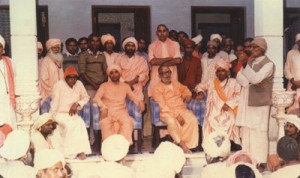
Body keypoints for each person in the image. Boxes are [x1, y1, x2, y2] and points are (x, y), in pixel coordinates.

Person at [236, 37, 274, 170]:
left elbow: (256, 77)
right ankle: (247, 159)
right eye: (251, 47)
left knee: (259, 131)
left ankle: (261, 161)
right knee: (247, 130)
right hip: (247, 99)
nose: (252, 49)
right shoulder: (250, 62)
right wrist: (252, 82)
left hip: (260, 102)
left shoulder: (269, 64)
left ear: (262, 49)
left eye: (255, 47)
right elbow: (239, 77)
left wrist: (251, 77)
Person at [152, 65, 199, 153]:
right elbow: (163, 106)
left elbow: (185, 89)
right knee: (172, 122)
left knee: (192, 119)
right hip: (167, 112)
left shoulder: (175, 83)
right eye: (164, 73)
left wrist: (187, 95)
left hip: (181, 109)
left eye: (168, 72)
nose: (167, 75)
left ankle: (189, 145)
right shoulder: (157, 89)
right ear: (160, 75)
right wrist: (176, 115)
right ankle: (182, 145)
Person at [93, 65, 145, 144]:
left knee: (127, 122)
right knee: (105, 123)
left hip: (122, 112)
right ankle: (109, 147)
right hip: (108, 112)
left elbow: (133, 97)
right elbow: (96, 98)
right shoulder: (104, 86)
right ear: (109, 75)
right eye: (111, 73)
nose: (114, 75)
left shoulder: (125, 86)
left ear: (120, 74)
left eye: (116, 72)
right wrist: (103, 108)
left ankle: (123, 146)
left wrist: (140, 102)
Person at [195, 60, 241, 148]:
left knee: (230, 120)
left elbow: (239, 95)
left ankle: (227, 143)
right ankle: (214, 144)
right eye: (218, 71)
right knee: (211, 119)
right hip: (214, 109)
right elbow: (200, 86)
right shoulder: (211, 82)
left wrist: (229, 104)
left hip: (228, 109)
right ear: (216, 73)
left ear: (227, 72)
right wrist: (200, 92)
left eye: (223, 70)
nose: (220, 73)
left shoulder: (233, 82)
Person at [51, 66, 91, 159]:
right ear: (66, 78)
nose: (73, 80)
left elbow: (86, 97)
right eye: (70, 77)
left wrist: (77, 104)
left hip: (72, 115)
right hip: (59, 114)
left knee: (80, 123)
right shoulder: (59, 85)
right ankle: (70, 153)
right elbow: (54, 103)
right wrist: (53, 117)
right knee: (72, 125)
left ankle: (81, 151)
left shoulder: (79, 84)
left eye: (74, 78)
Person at [78, 33, 107, 153]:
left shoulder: (102, 55)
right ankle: (91, 141)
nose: (95, 43)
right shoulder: (84, 55)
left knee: (102, 113)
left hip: (101, 88)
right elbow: (82, 73)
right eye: (93, 41)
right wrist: (94, 85)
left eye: (97, 41)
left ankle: (102, 140)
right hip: (89, 88)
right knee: (90, 115)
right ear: (89, 43)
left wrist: (102, 84)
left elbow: (106, 71)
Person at [148, 24, 182, 97]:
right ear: (156, 33)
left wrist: (158, 61)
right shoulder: (152, 46)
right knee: (157, 99)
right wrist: (168, 58)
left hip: (172, 75)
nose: (162, 33)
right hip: (157, 76)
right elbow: (152, 62)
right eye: (160, 31)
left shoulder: (175, 44)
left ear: (167, 32)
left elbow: (178, 60)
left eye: (164, 31)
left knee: (171, 99)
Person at [40, 38, 64, 113]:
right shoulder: (46, 60)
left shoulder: (59, 60)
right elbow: (44, 80)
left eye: (58, 47)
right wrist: (52, 92)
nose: (57, 49)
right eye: (54, 47)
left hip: (59, 93)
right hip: (49, 94)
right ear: (49, 48)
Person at [0, 35, 17, 128]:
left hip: (7, 99)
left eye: (0, 46)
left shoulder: (9, 62)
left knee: (9, 123)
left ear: (3, 49)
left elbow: (15, 78)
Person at [285, 33, 300, 113]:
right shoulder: (291, 53)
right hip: (292, 85)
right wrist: (293, 81)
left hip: (297, 85)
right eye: (299, 41)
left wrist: (298, 84)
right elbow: (287, 69)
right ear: (297, 43)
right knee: (292, 110)